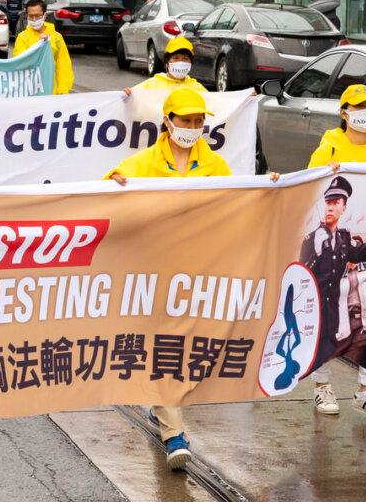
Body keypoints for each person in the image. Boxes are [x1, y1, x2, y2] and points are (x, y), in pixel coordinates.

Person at [105, 88, 231, 470]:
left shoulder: (215, 166)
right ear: (168, 122)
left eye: (198, 122)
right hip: (155, 272)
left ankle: (161, 405)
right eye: (186, 121)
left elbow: (242, 201)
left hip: (198, 271)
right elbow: (105, 190)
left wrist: (270, 187)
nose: (193, 128)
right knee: (166, 347)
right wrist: (115, 183)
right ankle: (174, 433)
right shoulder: (144, 163)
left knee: (191, 351)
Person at [305, 84, 366, 422]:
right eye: (359, 107)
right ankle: (321, 386)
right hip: (331, 268)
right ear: (344, 113)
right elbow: (311, 183)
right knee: (327, 324)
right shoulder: (330, 145)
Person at [299, 175, 366, 421]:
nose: (329, 206)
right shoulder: (312, 239)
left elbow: (358, 252)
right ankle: (322, 388)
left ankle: (365, 393)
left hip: (337, 306)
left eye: (336, 202)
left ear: (343, 207)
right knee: (320, 347)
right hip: (315, 305)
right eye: (327, 201)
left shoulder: (344, 238)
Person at [13, 0, 73, 94]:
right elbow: (19, 63)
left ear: (45, 15)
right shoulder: (22, 37)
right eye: (31, 16)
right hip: (29, 92)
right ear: (26, 15)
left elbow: (64, 65)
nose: (34, 19)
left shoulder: (56, 37)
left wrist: (63, 91)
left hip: (51, 92)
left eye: (37, 16)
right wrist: (39, 44)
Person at [126, 37, 206, 93]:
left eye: (185, 59)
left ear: (191, 63)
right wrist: (127, 94)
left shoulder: (197, 88)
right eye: (176, 58)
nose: (180, 62)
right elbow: (132, 97)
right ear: (167, 62)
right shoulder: (152, 84)